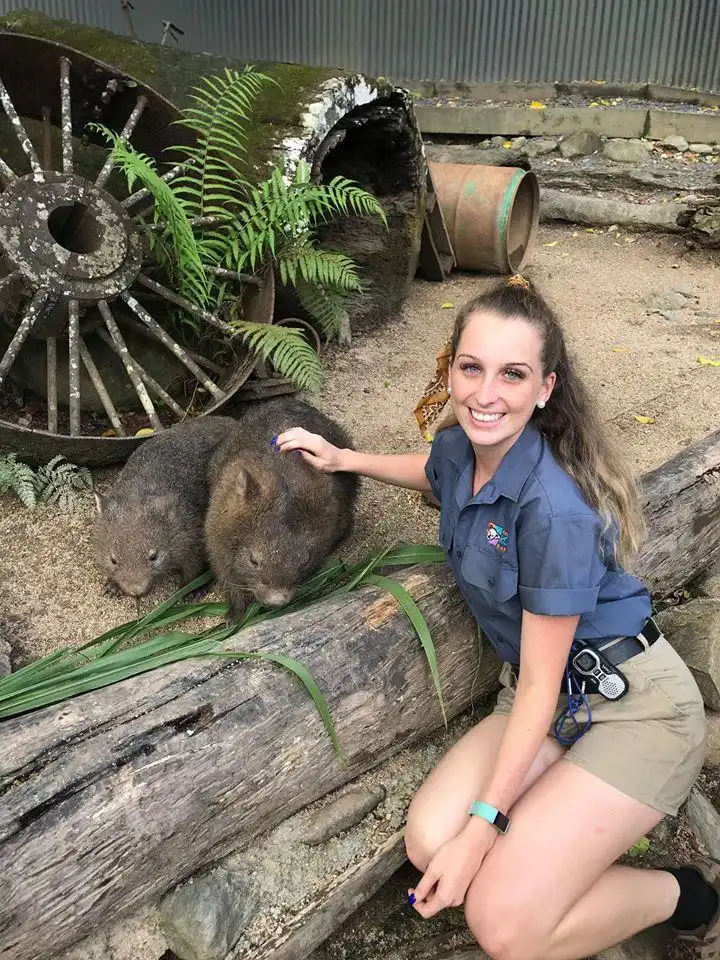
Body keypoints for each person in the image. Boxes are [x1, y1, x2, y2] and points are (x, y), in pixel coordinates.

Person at [274, 277, 718, 960]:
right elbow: (434, 470)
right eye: (471, 367)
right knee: (428, 841)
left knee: (501, 925)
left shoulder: (553, 512)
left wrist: (488, 823)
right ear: (450, 368)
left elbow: (540, 683)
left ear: (545, 388)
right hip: (552, 701)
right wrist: (344, 459)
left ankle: (683, 894)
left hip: (632, 709)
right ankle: (551, 850)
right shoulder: (462, 447)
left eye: (513, 375)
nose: (486, 394)